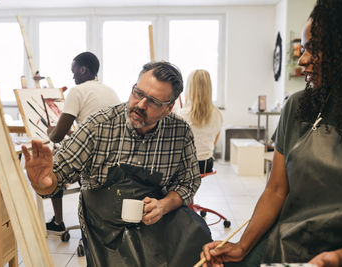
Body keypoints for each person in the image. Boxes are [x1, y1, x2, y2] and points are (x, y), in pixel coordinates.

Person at [23, 61, 212, 266]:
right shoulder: (99, 125)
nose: (140, 104)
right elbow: (59, 174)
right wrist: (43, 182)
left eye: (153, 101)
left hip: (152, 221)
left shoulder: (179, 132)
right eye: (138, 93)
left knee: (196, 236)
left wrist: (163, 206)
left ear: (168, 109)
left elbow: (188, 182)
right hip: (102, 227)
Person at [200, 0, 342, 266]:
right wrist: (242, 247)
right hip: (288, 242)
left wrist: (335, 258)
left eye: (312, 49)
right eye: (302, 49)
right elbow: (277, 190)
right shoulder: (298, 107)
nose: (302, 60)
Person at [45, 51, 120, 234]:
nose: (72, 75)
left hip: (91, 162)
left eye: (74, 71)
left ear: (83, 70)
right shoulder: (110, 90)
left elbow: (57, 137)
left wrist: (50, 132)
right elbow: (94, 130)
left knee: (52, 168)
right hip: (115, 160)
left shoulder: (77, 91)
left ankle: (58, 221)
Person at [178, 70, 223, 174]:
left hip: (188, 166)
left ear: (190, 88)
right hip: (207, 164)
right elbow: (214, 141)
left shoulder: (182, 114)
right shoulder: (218, 114)